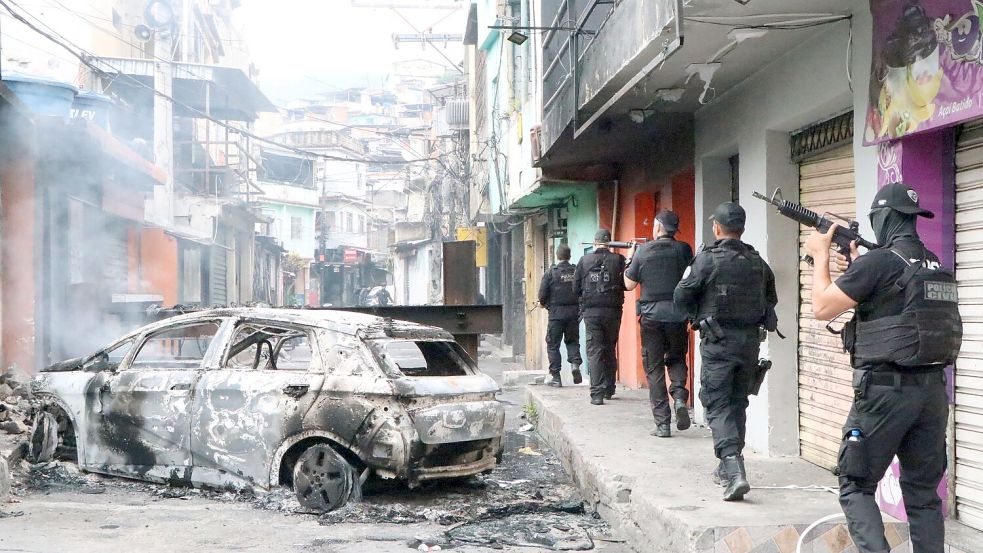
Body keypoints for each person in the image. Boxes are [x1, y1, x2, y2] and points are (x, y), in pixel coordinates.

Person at [805, 182, 960, 553]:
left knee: (855, 485)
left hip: (884, 394)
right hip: (931, 394)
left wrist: (820, 255)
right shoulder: (935, 264)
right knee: (923, 494)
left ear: (881, 217)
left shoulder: (879, 263)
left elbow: (822, 308)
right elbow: (897, 305)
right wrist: (860, 267)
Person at [674, 202, 778, 502]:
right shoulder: (757, 261)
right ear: (741, 228)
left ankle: (733, 470)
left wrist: (697, 314)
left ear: (717, 228)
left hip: (718, 344)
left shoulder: (708, 260)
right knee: (737, 402)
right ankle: (727, 466)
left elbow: (681, 295)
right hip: (749, 344)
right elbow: (771, 297)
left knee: (717, 404)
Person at [625, 210, 694, 438]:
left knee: (654, 368)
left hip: (651, 317)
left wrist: (629, 259)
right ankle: (680, 397)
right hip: (677, 315)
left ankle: (663, 425)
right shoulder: (684, 249)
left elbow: (628, 285)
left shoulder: (643, 252)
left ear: (656, 228)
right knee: (676, 358)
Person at [573, 229, 627, 405]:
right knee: (610, 348)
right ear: (609, 242)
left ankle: (596, 393)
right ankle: (609, 388)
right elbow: (626, 284)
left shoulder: (584, 260)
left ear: (595, 243)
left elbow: (575, 288)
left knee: (595, 350)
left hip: (591, 313)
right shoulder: (619, 260)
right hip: (613, 312)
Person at [537, 244, 584, 387]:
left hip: (556, 315)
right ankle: (575, 365)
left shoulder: (551, 272)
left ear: (557, 256)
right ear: (569, 256)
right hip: (573, 314)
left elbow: (542, 295)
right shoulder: (576, 271)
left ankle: (556, 377)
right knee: (572, 341)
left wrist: (544, 304)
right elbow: (582, 291)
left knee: (553, 345)